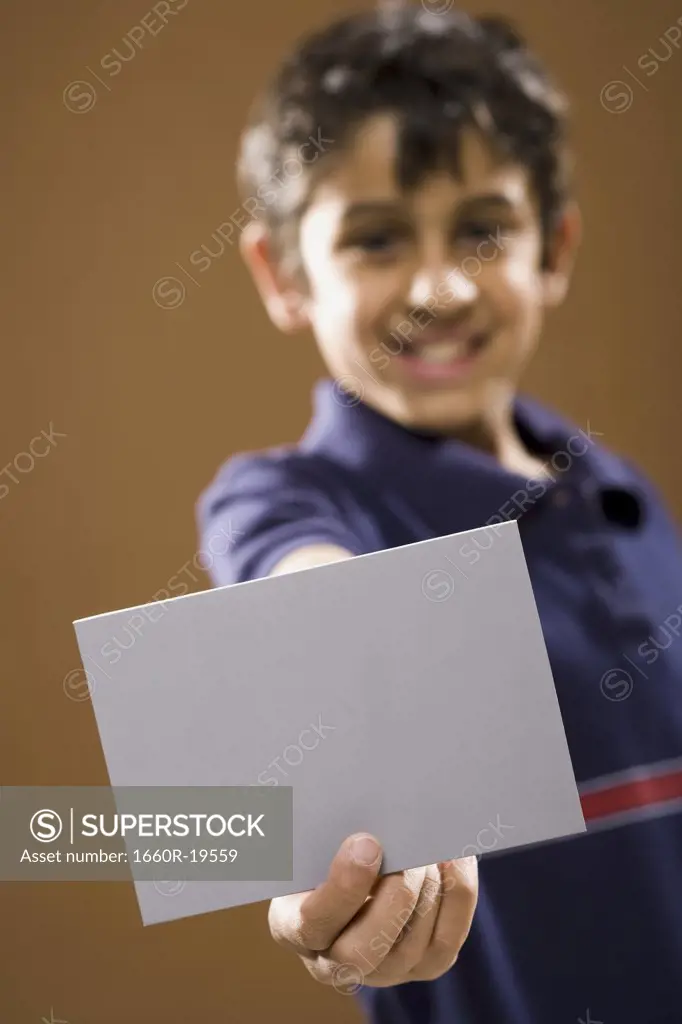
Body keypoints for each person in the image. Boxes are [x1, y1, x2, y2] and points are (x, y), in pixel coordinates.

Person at [195, 4, 682, 1021]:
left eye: (481, 230)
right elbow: (296, 585)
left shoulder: (624, 493)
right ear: (282, 274)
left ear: (554, 246)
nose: (435, 285)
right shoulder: (290, 498)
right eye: (375, 240)